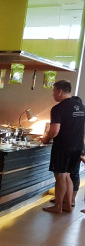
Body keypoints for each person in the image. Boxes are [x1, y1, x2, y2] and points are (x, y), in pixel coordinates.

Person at [42, 80, 85, 214]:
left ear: (60, 92)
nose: (53, 95)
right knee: (68, 176)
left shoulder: (58, 108)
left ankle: (58, 206)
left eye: (54, 91)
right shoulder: (82, 107)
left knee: (60, 176)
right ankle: (68, 205)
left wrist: (46, 139)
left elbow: (55, 130)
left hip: (63, 146)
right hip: (78, 146)